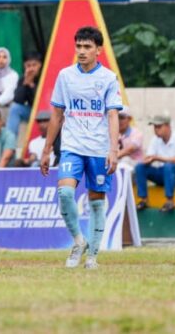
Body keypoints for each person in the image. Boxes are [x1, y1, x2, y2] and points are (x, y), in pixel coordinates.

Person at [40, 26, 122, 270]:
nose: (82, 51)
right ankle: (78, 241)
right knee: (65, 194)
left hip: (98, 149)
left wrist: (114, 150)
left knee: (96, 201)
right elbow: (57, 115)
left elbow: (113, 115)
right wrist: (46, 150)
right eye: (79, 46)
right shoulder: (65, 76)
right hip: (71, 147)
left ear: (99, 50)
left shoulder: (108, 78)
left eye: (87, 47)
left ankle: (92, 256)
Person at [134, 113, 175, 212]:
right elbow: (149, 157)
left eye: (159, 127)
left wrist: (157, 158)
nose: (156, 130)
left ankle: (170, 201)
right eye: (155, 127)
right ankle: (144, 200)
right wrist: (147, 161)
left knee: (168, 166)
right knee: (140, 167)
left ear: (168, 126)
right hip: (164, 173)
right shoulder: (154, 140)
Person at [7, 53, 42, 136]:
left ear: (39, 65)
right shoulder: (23, 79)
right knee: (15, 108)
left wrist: (32, 86)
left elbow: (42, 100)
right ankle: (10, 141)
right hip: (31, 111)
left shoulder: (45, 75)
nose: (31, 68)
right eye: (28, 66)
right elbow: (18, 100)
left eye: (34, 65)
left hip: (45, 111)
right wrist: (25, 83)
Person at [0, 47, 19, 114]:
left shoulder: (13, 75)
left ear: (9, 59)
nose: (1, 59)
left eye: (4, 57)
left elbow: (9, 93)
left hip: (5, 106)